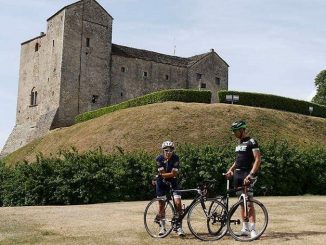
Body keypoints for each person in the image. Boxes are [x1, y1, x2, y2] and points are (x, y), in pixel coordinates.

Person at [225, 120, 261, 238]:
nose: (234, 133)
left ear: (242, 130)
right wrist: (231, 170)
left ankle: (253, 229)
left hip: (246, 174)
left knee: (249, 203)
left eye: (235, 131)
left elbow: (257, 160)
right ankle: (245, 228)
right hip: (237, 176)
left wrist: (250, 175)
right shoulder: (239, 143)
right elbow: (238, 160)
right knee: (241, 203)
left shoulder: (252, 142)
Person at [155, 140, 185, 237]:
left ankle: (179, 226)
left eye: (171, 150)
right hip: (161, 183)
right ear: (163, 151)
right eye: (166, 150)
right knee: (161, 205)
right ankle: (162, 227)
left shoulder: (176, 158)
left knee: (178, 203)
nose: (168, 152)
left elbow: (172, 174)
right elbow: (164, 175)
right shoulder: (159, 159)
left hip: (173, 182)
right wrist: (169, 174)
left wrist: (167, 174)